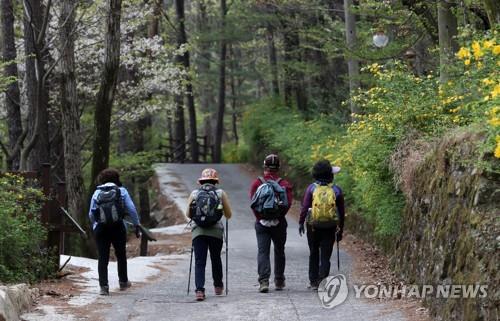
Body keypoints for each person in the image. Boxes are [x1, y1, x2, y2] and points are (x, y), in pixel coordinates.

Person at [88, 168, 141, 296]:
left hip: (102, 228)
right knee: (121, 254)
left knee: (103, 257)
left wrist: (96, 225)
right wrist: (136, 224)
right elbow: (131, 209)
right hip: (118, 227)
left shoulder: (97, 193)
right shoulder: (122, 191)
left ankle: (104, 287)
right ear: (116, 179)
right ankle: (123, 281)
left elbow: (91, 213)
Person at [186, 168, 232, 301]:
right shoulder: (220, 193)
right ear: (215, 181)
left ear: (201, 181)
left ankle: (199, 290)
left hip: (198, 232)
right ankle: (218, 286)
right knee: (215, 258)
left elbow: (188, 214)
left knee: (200, 261)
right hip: (215, 232)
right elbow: (228, 215)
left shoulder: (195, 193)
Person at [298, 160, 345, 290]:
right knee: (325, 254)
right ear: (330, 175)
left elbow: (304, 208)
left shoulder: (311, 188)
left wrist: (301, 222)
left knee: (313, 252)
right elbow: (341, 213)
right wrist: (340, 231)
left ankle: (313, 282)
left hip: (313, 226)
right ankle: (322, 280)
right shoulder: (336, 190)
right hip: (330, 227)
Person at [249, 154, 293, 293]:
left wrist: (261, 217)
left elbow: (253, 204)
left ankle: (264, 281)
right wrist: (278, 217)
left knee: (263, 251)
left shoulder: (257, 183)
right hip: (279, 223)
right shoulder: (284, 184)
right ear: (278, 168)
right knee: (279, 251)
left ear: (265, 167)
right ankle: (279, 280)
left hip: (261, 224)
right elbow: (287, 204)